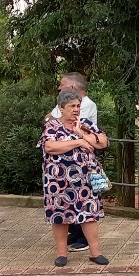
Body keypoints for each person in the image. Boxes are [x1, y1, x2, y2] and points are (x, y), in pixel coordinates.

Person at [39, 89, 110, 266]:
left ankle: (95, 253)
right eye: (72, 106)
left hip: (85, 181)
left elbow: (102, 142)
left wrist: (82, 135)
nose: (76, 109)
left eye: (78, 106)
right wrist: (79, 143)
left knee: (89, 215)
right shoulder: (51, 126)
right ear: (61, 108)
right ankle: (62, 254)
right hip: (58, 182)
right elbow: (50, 146)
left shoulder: (84, 124)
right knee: (59, 215)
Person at [44, 72, 98, 253]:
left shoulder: (87, 106)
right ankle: (70, 242)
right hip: (60, 176)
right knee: (64, 207)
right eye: (72, 106)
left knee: (84, 207)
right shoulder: (55, 121)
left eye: (63, 85)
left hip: (82, 169)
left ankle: (85, 241)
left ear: (73, 88)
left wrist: (82, 138)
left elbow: (98, 137)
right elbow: (49, 130)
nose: (59, 87)